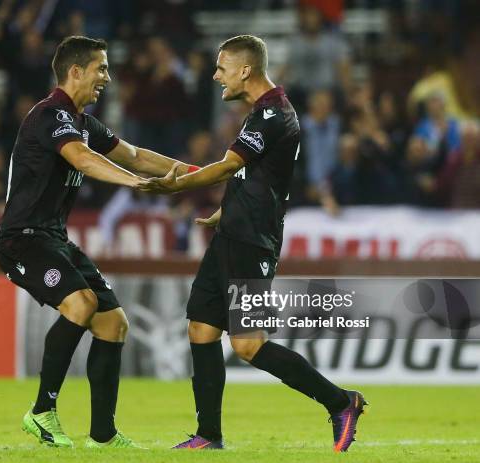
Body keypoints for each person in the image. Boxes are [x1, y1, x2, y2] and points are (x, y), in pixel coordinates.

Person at [142, 35, 367, 452]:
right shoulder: (260, 113)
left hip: (252, 243)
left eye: (221, 67)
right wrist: (227, 212)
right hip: (232, 234)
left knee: (247, 344)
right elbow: (260, 177)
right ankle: (209, 435)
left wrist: (174, 186)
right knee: (201, 329)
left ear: (245, 70)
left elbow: (229, 166)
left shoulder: (272, 114)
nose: (215, 76)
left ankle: (340, 401)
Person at [0, 36, 195, 449]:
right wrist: (137, 185)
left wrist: (199, 172)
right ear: (75, 72)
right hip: (21, 241)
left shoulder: (84, 123)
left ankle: (102, 434)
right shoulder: (51, 115)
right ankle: (41, 411)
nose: (107, 77)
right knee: (81, 304)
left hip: (54, 239)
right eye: (100, 68)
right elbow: (84, 159)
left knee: (113, 323)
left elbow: (135, 155)